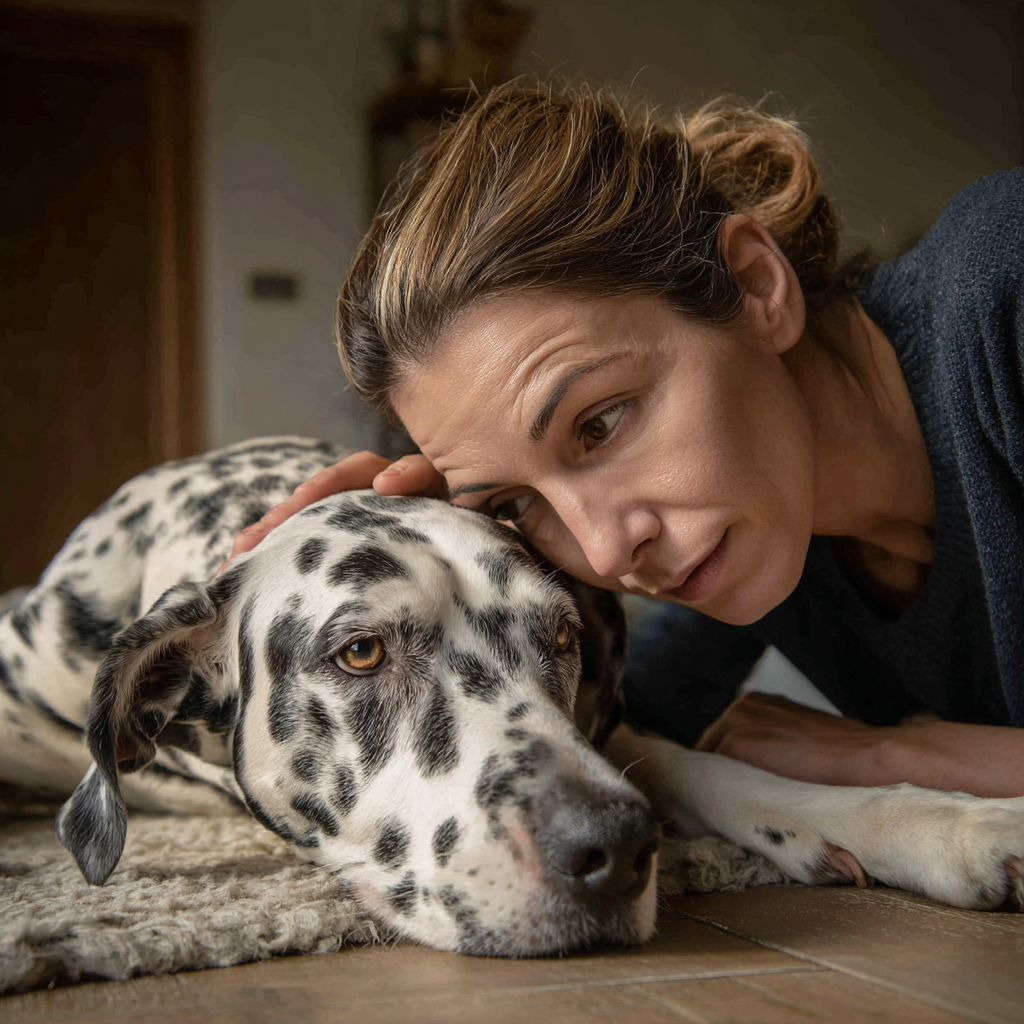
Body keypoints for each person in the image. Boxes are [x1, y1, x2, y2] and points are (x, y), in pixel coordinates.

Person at [222, 81, 1024, 799]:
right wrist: (442, 545)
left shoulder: (1004, 288)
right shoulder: (761, 522)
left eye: (600, 424)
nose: (607, 553)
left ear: (755, 286)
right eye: (517, 502)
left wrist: (894, 757)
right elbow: (610, 739)